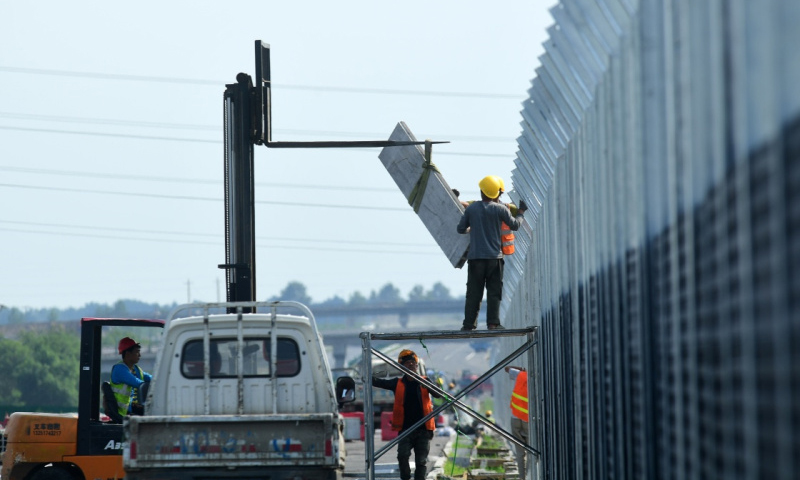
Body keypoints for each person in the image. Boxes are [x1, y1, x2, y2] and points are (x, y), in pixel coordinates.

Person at [457, 175, 527, 330]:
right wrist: (521, 212)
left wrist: (472, 228)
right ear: (497, 194)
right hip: (494, 259)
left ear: (482, 192)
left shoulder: (472, 209)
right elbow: (515, 225)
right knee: (494, 292)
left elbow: (460, 229)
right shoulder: (500, 209)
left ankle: (468, 325)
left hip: (475, 259)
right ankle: (493, 323)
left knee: (473, 293)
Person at [372, 349, 440, 480]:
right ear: (402, 367)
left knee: (421, 461)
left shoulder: (425, 381)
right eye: (407, 363)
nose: (410, 365)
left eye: (413, 363)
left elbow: (438, 394)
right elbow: (379, 382)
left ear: (417, 365)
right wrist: (367, 377)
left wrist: (428, 385)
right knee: (402, 456)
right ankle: (405, 478)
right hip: (405, 429)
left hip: (423, 429)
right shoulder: (397, 383)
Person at [110, 337, 152, 417]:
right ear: (128, 354)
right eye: (137, 352)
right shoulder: (120, 369)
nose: (140, 355)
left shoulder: (136, 369)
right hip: (124, 412)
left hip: (133, 408)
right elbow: (138, 383)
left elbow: (152, 378)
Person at [506, 366, 529, 476]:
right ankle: (530, 475)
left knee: (520, 452)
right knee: (531, 451)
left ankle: (522, 477)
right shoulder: (537, 378)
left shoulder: (520, 375)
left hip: (515, 418)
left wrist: (522, 369)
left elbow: (507, 368)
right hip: (528, 420)